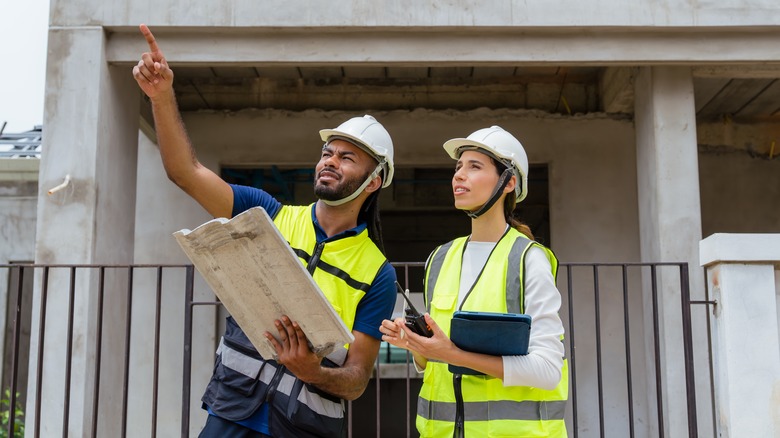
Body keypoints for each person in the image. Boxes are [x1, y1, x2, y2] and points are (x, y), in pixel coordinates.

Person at [132, 24, 397, 438]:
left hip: (303, 427)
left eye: (347, 158)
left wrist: (313, 371)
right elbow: (185, 172)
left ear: (374, 181)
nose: (329, 161)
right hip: (231, 410)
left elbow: (358, 378)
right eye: (327, 153)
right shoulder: (268, 216)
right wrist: (162, 97)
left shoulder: (378, 273)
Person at [380, 126, 568, 437]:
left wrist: (451, 354)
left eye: (474, 166)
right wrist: (416, 345)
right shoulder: (440, 258)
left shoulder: (527, 259)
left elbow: (548, 371)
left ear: (508, 183)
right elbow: (434, 360)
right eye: (458, 167)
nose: (459, 175)